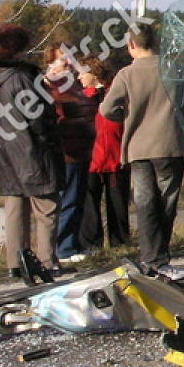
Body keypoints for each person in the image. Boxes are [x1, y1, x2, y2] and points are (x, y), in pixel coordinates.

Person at [99, 23, 184, 281]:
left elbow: (106, 110)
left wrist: (127, 115)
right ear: (156, 42)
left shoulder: (126, 75)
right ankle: (161, 258)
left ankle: (151, 258)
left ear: (130, 45)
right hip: (170, 144)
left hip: (138, 147)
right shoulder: (174, 69)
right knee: (166, 203)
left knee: (145, 203)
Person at [0, 25, 64, 279]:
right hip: (33, 149)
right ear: (17, 51)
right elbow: (38, 116)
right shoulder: (22, 78)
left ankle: (16, 263)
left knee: (15, 207)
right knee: (46, 207)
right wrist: (49, 135)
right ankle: (46, 261)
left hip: (6, 150)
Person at [43, 42, 95, 265]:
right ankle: (64, 248)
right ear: (50, 62)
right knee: (69, 200)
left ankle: (72, 243)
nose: (67, 61)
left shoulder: (71, 84)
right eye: (61, 58)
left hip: (81, 149)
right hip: (67, 150)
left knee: (78, 198)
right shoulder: (52, 88)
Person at [79, 58, 131, 250]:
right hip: (92, 158)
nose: (79, 77)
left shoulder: (114, 94)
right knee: (89, 204)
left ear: (94, 74)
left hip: (115, 156)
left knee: (118, 203)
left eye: (83, 72)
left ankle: (120, 241)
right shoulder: (82, 97)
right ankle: (91, 244)